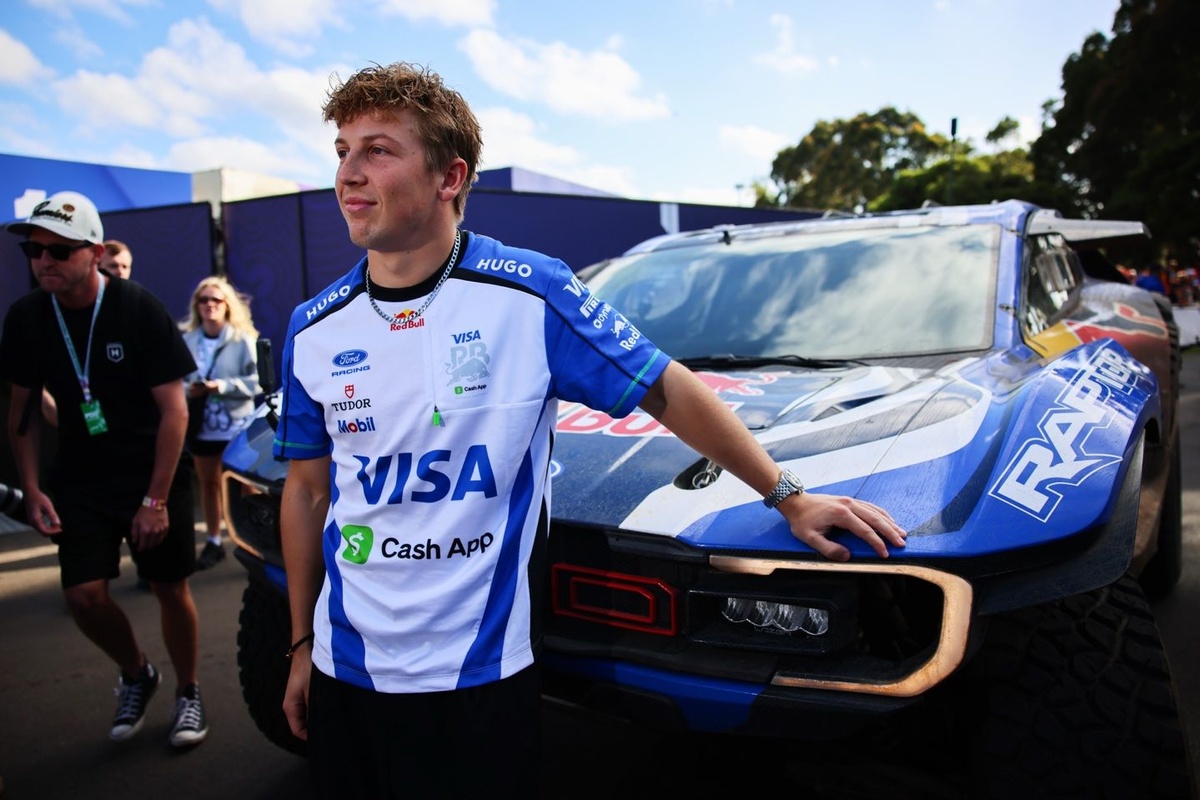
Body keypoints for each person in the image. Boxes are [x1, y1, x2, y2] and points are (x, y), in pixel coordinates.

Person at [276, 62, 906, 799]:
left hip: (481, 676)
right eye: (342, 150)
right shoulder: (312, 327)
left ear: (450, 177)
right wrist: (299, 642)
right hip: (343, 670)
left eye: (377, 149)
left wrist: (789, 496)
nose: (349, 173)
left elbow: (670, 390)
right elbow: (307, 493)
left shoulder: (530, 292)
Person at [0, 191, 210, 748]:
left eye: (59, 251)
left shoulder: (136, 308)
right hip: (82, 475)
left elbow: (175, 411)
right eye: (34, 249)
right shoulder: (25, 318)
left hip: (152, 469)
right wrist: (31, 486)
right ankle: (138, 672)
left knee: (169, 587)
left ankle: (188, 692)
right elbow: (21, 411)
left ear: (92, 253)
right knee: (83, 596)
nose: (44, 260)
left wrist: (155, 501)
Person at [179, 276, 259, 570]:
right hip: (202, 425)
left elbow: (260, 382)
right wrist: (193, 389)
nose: (209, 305)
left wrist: (222, 386)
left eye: (216, 300)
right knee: (209, 484)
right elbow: (177, 383)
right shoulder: (186, 340)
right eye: (204, 300)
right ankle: (214, 541)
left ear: (228, 306)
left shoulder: (242, 339)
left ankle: (254, 541)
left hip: (237, 425)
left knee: (246, 486)